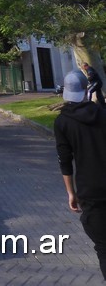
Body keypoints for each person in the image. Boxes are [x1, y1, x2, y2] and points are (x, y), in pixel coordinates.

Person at [54, 69, 106, 280]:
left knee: (103, 248)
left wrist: (71, 192)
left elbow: (65, 161)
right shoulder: (103, 114)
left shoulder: (62, 122)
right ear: (86, 90)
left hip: (90, 191)